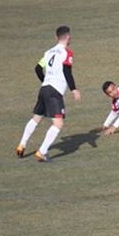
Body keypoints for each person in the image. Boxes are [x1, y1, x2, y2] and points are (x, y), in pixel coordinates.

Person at [16, 26, 81, 162]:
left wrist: (45, 81)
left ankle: (22, 145)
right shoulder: (66, 53)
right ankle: (42, 152)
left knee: (36, 118)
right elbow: (67, 72)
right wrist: (74, 89)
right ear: (68, 38)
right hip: (54, 91)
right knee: (58, 124)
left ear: (56, 37)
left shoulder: (48, 52)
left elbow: (38, 68)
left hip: (44, 89)